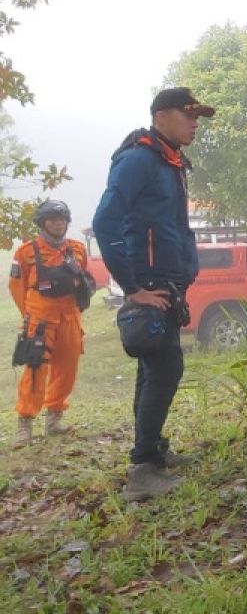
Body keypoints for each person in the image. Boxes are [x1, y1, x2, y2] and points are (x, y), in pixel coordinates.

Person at [93, 87, 214, 501]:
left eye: (198, 116)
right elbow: (105, 222)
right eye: (188, 114)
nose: (195, 123)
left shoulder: (170, 161)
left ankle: (151, 454)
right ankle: (142, 468)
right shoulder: (138, 159)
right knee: (165, 369)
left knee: (153, 370)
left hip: (168, 281)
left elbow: (173, 226)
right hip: (150, 285)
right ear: (161, 116)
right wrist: (133, 288)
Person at [10, 200, 93, 447]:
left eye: (62, 219)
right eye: (52, 219)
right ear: (42, 222)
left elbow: (83, 280)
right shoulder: (26, 252)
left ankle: (54, 418)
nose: (58, 223)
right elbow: (17, 287)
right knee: (36, 368)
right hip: (40, 318)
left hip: (70, 316)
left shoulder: (77, 249)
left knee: (67, 367)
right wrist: (29, 314)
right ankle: (25, 423)